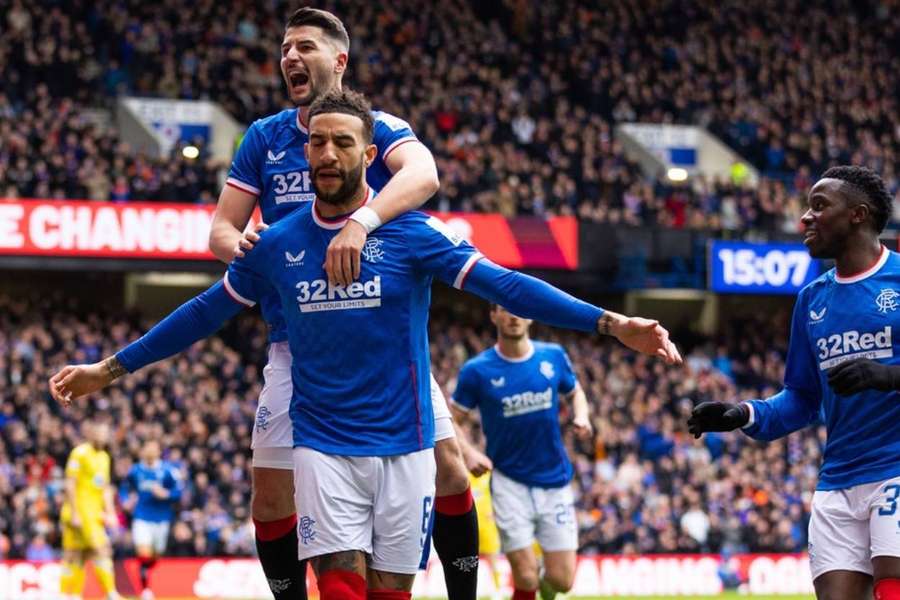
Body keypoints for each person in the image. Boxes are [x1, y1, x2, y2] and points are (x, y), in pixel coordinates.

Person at [51, 89, 681, 600]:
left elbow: (506, 285)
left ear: (369, 152)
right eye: (316, 141)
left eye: (341, 142)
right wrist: (111, 368)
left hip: (406, 446)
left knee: (390, 592)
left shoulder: (413, 235)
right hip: (322, 446)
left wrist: (610, 323)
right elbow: (202, 311)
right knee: (342, 585)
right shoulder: (275, 244)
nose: (325, 153)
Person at [192, 7, 477, 598]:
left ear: (338, 60)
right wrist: (241, 246)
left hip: (380, 341)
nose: (290, 57)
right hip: (298, 342)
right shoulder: (264, 138)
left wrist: (362, 224)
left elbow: (423, 177)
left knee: (450, 471)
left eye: (304, 47)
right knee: (268, 495)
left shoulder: (378, 127)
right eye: (285, 48)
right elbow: (220, 230)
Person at [687, 166, 900, 600]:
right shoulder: (812, 299)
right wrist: (743, 414)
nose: (805, 217)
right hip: (838, 479)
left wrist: (888, 376)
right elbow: (802, 398)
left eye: (819, 206)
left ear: (858, 215)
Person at [450, 305, 593, 600]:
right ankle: (528, 580)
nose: (514, 316)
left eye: (520, 310)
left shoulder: (552, 357)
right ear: (494, 316)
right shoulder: (477, 371)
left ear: (530, 315)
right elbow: (451, 419)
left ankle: (543, 581)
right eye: (505, 310)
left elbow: (575, 392)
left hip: (554, 480)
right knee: (525, 576)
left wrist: (582, 415)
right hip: (509, 482)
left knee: (562, 580)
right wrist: (468, 452)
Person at [59, 420, 121, 600]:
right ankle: (110, 593)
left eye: (106, 432)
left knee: (78, 554)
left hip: (95, 514)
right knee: (101, 550)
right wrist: (75, 513)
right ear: (91, 433)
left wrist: (110, 513)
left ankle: (72, 595)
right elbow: (70, 483)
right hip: (80, 512)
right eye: (100, 432)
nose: (103, 435)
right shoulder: (79, 453)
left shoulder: (104, 457)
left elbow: (105, 488)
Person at [121, 440, 183, 600]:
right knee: (143, 552)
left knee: (156, 554)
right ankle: (145, 590)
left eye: (152, 448)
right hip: (141, 516)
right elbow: (124, 488)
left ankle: (145, 572)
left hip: (162, 518)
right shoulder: (135, 470)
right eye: (146, 448)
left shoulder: (168, 471)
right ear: (142, 451)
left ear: (158, 452)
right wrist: (126, 500)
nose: (149, 451)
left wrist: (166, 494)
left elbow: (179, 491)